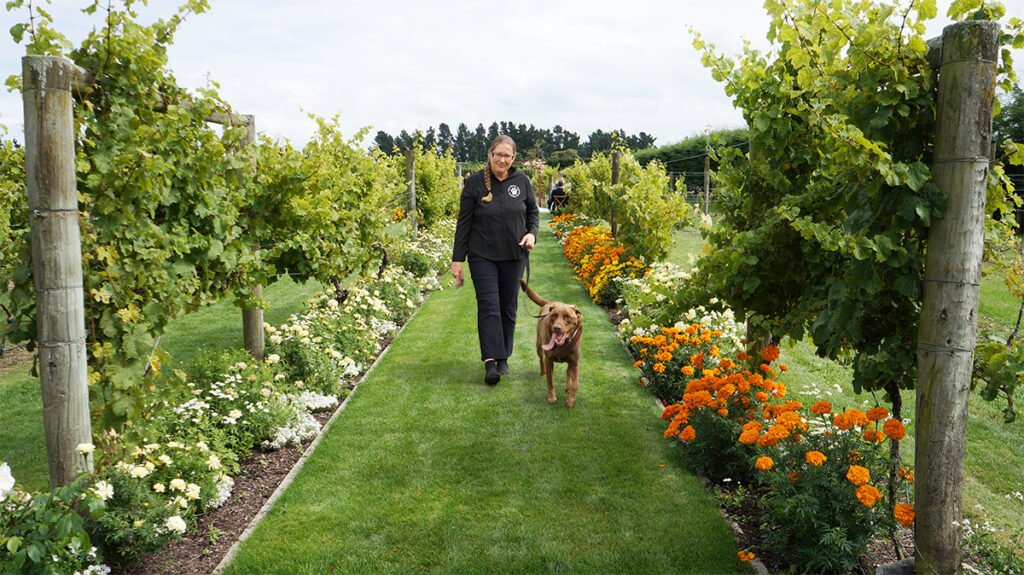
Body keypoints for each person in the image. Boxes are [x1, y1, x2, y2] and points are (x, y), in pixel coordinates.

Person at [450, 135, 539, 385]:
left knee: (507, 308)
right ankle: (490, 361)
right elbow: (463, 224)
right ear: (489, 154)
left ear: (513, 158)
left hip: (513, 255)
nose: (502, 159)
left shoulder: (522, 181)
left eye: (507, 156)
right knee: (489, 306)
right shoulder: (475, 184)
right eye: (498, 154)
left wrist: (531, 234)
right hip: (482, 256)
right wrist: (457, 260)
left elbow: (532, 213)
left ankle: (503, 358)